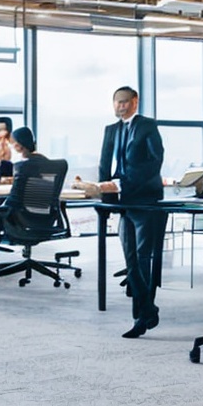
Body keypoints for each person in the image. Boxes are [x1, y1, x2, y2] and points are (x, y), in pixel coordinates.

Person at [77, 86, 165, 339]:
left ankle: (140, 317)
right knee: (131, 261)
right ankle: (149, 309)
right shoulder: (111, 130)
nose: (120, 107)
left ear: (135, 102)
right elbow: (105, 166)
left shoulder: (147, 126)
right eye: (117, 102)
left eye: (125, 102)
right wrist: (105, 199)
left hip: (145, 201)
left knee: (142, 258)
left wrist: (122, 183)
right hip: (121, 203)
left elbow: (154, 162)